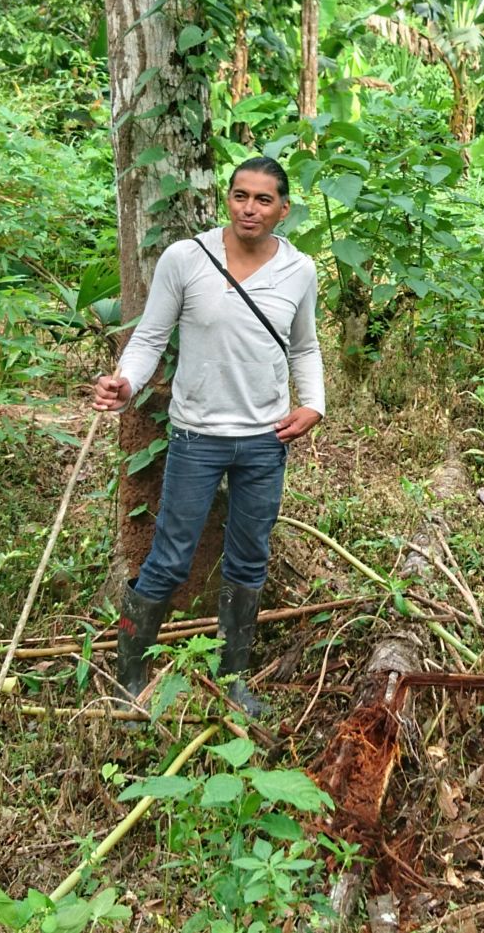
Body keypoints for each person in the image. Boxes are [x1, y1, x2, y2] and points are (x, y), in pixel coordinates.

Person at [91, 156, 325, 716]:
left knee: (249, 559)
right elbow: (150, 337)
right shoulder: (186, 258)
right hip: (197, 438)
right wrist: (125, 383)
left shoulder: (299, 270)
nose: (250, 208)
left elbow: (305, 347)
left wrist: (313, 404)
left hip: (266, 441)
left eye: (263, 199)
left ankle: (234, 680)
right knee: (169, 559)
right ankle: (131, 673)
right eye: (240, 195)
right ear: (228, 199)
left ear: (283, 210)